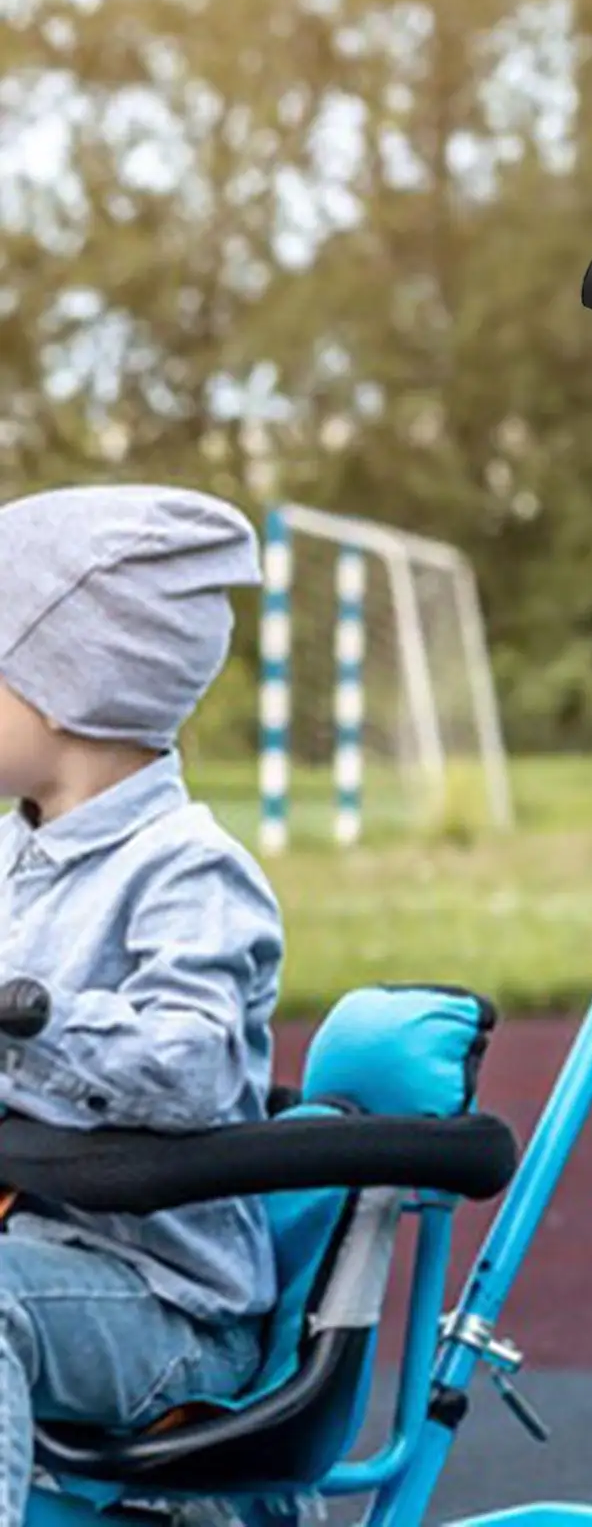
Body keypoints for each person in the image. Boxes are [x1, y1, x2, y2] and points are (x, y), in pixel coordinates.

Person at [0, 484, 281, 1522]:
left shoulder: (188, 871)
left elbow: (192, 1068)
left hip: (165, 1309)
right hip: (34, 1248)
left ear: (67, 690)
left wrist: (31, 1013)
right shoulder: (13, 856)